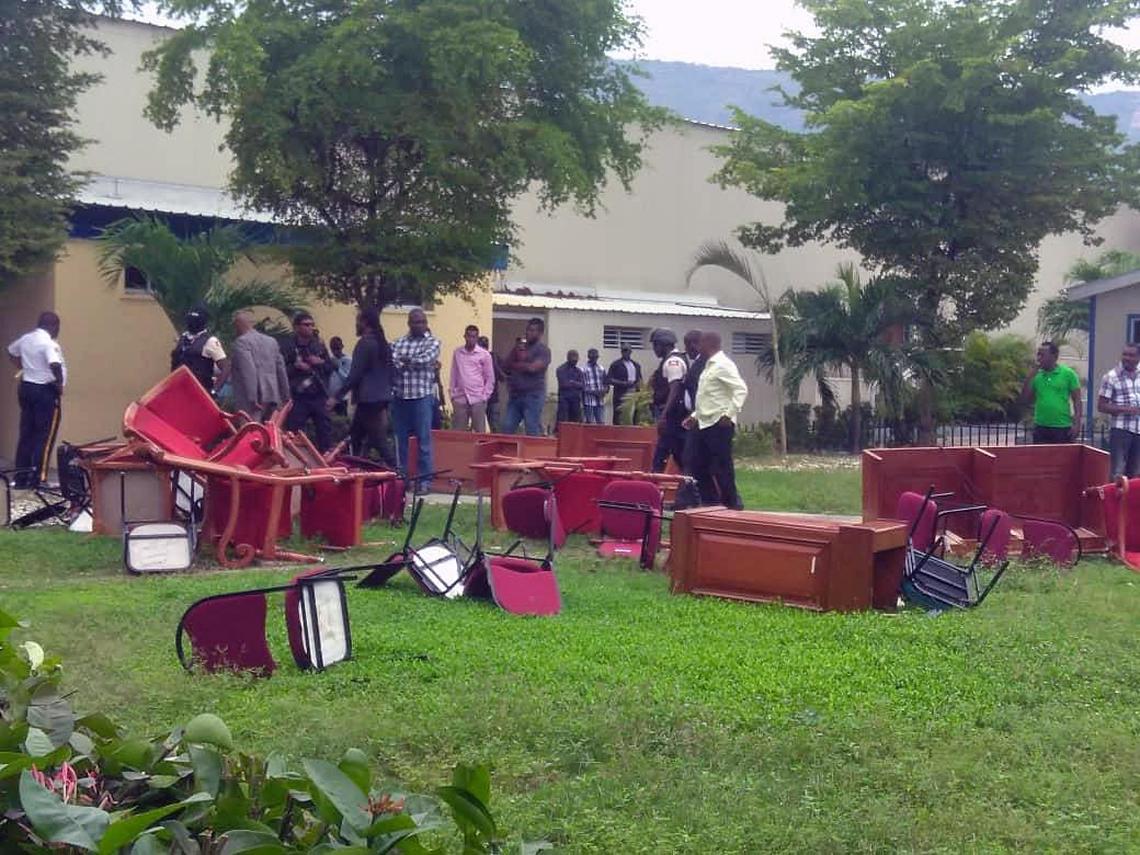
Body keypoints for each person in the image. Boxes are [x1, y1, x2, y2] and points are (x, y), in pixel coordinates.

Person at [683, 331, 748, 510]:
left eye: (701, 343)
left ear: (709, 344)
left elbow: (740, 389)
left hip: (719, 424)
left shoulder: (723, 365)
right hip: (704, 422)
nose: (698, 347)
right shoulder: (708, 366)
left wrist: (729, 414)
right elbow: (709, 397)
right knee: (696, 463)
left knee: (721, 466)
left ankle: (732, 504)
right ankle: (711, 502)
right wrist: (695, 416)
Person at [327, 307, 396, 467]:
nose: (356, 325)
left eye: (358, 321)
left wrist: (336, 397)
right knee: (356, 436)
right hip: (381, 397)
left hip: (368, 398)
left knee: (377, 439)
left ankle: (399, 472)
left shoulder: (364, 344)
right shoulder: (383, 344)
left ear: (365, 322)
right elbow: (392, 372)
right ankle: (356, 469)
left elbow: (355, 375)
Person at [7, 312, 65, 489]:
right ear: (53, 326)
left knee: (26, 435)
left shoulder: (26, 339)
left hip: (26, 388)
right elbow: (55, 364)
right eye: (57, 327)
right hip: (44, 391)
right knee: (44, 437)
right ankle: (40, 478)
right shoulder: (48, 344)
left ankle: (21, 478)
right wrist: (59, 383)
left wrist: (23, 365)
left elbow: (10, 351)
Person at [390, 308, 440, 485]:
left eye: (423, 322)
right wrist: (412, 361)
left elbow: (426, 359)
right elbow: (393, 361)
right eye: (417, 322)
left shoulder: (433, 342)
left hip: (422, 397)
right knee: (401, 441)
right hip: (400, 397)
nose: (421, 325)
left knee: (423, 441)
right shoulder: (398, 342)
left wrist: (407, 361)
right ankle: (403, 481)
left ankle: (425, 481)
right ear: (409, 323)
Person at [280, 311, 334, 450]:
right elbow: (281, 371)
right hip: (298, 397)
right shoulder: (289, 346)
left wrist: (319, 362)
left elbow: (331, 367)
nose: (310, 327)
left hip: (318, 395)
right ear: (297, 327)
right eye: (306, 325)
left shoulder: (319, 345)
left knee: (325, 432)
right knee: (293, 432)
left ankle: (326, 461)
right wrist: (296, 367)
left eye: (312, 325)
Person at [230, 310, 290, 422]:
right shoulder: (271, 341)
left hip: (253, 397)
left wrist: (252, 397)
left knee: (251, 431)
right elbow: (281, 369)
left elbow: (248, 370)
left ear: (237, 324)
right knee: (270, 431)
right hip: (273, 394)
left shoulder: (241, 342)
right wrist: (286, 396)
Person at [1022, 341, 1082, 443]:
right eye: (1038, 354)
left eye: (1042, 355)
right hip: (1041, 427)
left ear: (1054, 356)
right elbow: (1025, 399)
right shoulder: (1037, 376)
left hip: (1062, 427)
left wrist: (1077, 424)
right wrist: (1030, 376)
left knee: (1062, 458)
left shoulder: (1068, 374)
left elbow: (1077, 400)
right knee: (1041, 457)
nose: (1039, 358)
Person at [502, 317, 552, 436]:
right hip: (515, 395)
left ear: (540, 333)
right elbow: (505, 366)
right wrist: (516, 352)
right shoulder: (519, 348)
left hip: (533, 395)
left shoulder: (543, 350)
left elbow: (533, 368)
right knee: (507, 426)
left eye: (532, 330)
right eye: (527, 330)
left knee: (531, 426)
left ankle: (534, 452)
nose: (528, 333)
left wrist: (517, 365)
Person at [1097, 342, 1140, 478]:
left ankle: (1132, 499)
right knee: (1118, 471)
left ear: (1138, 357)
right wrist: (1128, 409)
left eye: (1131, 355)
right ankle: (1116, 499)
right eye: (1125, 354)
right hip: (1121, 430)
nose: (1127, 358)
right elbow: (1102, 405)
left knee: (1136, 472)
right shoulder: (1111, 377)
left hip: (1139, 431)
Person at [649, 329, 689, 472]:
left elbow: (675, 388)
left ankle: (652, 487)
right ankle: (691, 489)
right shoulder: (672, 360)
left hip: (673, 416)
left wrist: (664, 415)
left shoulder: (673, 361)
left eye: (655, 345)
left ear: (664, 344)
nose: (654, 349)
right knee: (679, 456)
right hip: (674, 417)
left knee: (661, 457)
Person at [171, 306, 229, 394]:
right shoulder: (182, 339)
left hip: (200, 392)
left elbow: (226, 367)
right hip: (179, 390)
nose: (191, 323)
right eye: (190, 320)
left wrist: (214, 391)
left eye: (195, 321)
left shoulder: (211, 341)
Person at [449, 325, 495, 432]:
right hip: (460, 398)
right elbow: (454, 373)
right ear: (464, 336)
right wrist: (452, 395)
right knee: (457, 434)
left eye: (474, 337)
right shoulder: (458, 353)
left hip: (478, 398)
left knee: (480, 433)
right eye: (469, 336)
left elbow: (490, 377)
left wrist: (485, 396)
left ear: (477, 338)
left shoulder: (484, 355)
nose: (471, 339)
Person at [681, 329, 705, 475]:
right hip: (695, 416)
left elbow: (699, 392)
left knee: (692, 458)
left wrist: (695, 415)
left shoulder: (701, 364)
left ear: (695, 345)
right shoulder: (698, 363)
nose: (686, 350)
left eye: (687, 345)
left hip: (699, 418)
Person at [607, 345, 642, 425]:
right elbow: (609, 379)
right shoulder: (616, 364)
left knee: (633, 415)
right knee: (619, 416)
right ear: (621, 352)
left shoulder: (636, 365)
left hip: (634, 393)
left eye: (627, 350)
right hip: (621, 393)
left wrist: (639, 387)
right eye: (623, 350)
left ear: (630, 352)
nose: (625, 352)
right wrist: (623, 383)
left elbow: (640, 379)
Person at [479, 335, 507, 432]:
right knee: (479, 428)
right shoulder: (475, 357)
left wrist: (494, 363)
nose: (484, 348)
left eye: (485, 345)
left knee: (495, 427)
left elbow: (503, 376)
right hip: (478, 397)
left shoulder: (494, 357)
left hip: (493, 398)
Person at [555, 350, 585, 426]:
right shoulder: (561, 369)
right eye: (573, 359)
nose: (575, 361)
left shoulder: (578, 371)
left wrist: (572, 382)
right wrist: (575, 384)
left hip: (575, 400)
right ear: (568, 358)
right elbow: (564, 384)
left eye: (576, 360)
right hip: (564, 399)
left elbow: (582, 385)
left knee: (576, 422)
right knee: (563, 421)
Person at [581, 348, 609, 424]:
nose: (594, 358)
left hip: (600, 401)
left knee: (601, 422)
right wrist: (593, 392)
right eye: (592, 356)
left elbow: (606, 382)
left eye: (595, 356)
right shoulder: (583, 369)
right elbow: (582, 386)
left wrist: (605, 390)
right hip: (588, 401)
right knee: (589, 423)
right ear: (588, 356)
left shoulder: (601, 368)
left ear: (598, 357)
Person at [327, 336, 352, 417]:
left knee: (342, 420)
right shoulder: (330, 360)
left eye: (337, 348)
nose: (335, 351)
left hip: (342, 397)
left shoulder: (348, 360)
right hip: (329, 397)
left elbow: (348, 380)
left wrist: (338, 368)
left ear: (342, 347)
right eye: (333, 349)